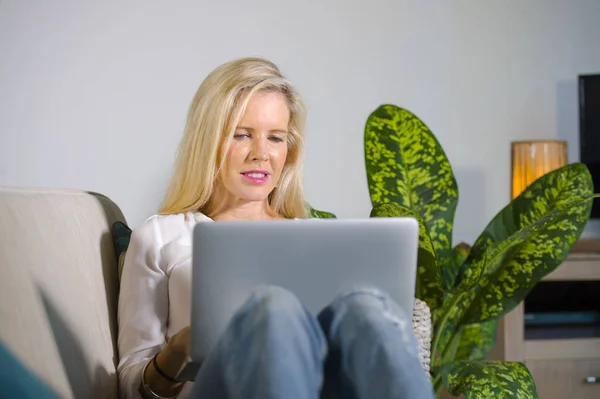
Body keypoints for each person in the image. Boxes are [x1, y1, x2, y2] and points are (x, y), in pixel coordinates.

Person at [117, 57, 434, 399]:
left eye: (276, 138)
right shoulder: (162, 234)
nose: (261, 154)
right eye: (242, 134)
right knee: (274, 306)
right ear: (207, 141)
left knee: (365, 307)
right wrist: (184, 344)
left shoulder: (312, 236)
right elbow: (129, 385)